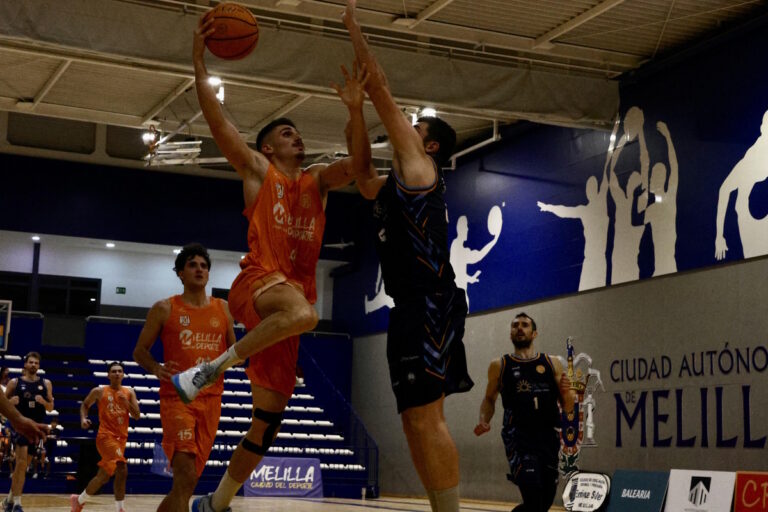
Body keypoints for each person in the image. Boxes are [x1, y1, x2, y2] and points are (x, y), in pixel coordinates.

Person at [175, 12, 372, 512]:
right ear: (268, 146)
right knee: (307, 314)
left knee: (268, 421)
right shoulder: (260, 171)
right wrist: (199, 61)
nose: (296, 137)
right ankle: (211, 367)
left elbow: (362, 167)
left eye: (296, 132)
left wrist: (355, 112)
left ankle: (216, 503)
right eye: (287, 132)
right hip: (257, 280)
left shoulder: (319, 182)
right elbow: (218, 122)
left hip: (286, 303)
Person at [341, 3, 473, 511]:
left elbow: (379, 85)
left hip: (432, 303)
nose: (405, 126)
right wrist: (353, 110)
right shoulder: (393, 187)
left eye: (414, 124)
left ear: (430, 142)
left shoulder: (422, 168)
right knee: (410, 420)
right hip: (408, 307)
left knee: (427, 417)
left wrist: (354, 27)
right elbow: (359, 175)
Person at [133, 243, 236, 512]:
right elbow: (139, 351)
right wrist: (156, 368)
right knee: (186, 475)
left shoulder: (223, 308)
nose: (199, 269)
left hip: (212, 400)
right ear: (180, 273)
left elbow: (236, 352)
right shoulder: (164, 308)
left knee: (186, 484)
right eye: (192, 264)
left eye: (204, 265)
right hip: (177, 398)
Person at [474, 313, 576, 512]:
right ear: (511, 333)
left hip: (548, 438)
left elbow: (568, 406)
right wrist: (484, 420)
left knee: (543, 503)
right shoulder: (500, 365)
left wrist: (568, 391)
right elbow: (489, 399)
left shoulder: (551, 362)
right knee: (533, 496)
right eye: (515, 325)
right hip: (519, 438)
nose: (519, 328)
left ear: (534, 333)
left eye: (525, 325)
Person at [70, 362, 140, 512]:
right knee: (122, 467)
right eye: (113, 371)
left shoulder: (129, 393)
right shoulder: (99, 391)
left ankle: (79, 500)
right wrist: (83, 418)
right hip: (105, 437)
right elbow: (85, 405)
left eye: (120, 371)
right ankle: (120, 509)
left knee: (103, 477)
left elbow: (137, 415)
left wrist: (126, 402)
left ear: (123, 375)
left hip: (121, 439)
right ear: (108, 375)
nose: (117, 373)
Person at [3, 352, 53, 512]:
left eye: (36, 363)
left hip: (36, 428)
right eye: (31, 362)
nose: (33, 365)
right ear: (25, 364)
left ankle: (9, 500)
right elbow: (2, 405)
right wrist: (10, 402)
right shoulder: (14, 382)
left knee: (22, 467)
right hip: (19, 426)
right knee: (21, 463)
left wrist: (44, 402)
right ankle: (17, 503)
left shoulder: (46, 383)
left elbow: (51, 407)